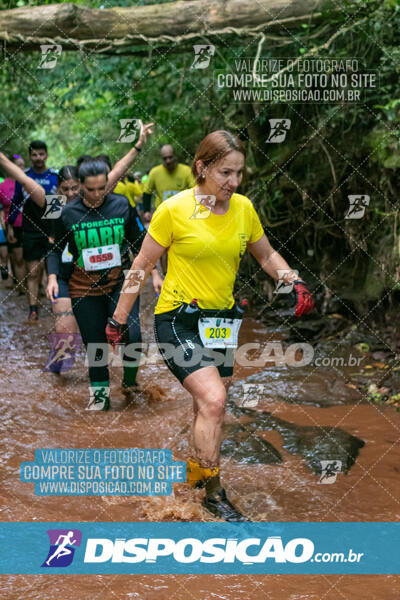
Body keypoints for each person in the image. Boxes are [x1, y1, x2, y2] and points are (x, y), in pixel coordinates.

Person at [106, 130, 314, 520]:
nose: (233, 183)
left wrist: (292, 280)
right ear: (201, 168)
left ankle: (193, 476)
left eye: (238, 173)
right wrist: (118, 320)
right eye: (225, 173)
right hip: (177, 319)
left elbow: (267, 256)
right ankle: (213, 493)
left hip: (221, 323)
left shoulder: (244, 210)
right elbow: (140, 267)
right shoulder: (175, 210)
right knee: (216, 400)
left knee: (207, 406)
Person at [47, 122, 163, 410]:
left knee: (132, 333)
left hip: (120, 282)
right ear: (81, 186)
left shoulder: (122, 205)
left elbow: (142, 244)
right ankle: (100, 397)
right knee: (95, 343)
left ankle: (130, 381)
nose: (97, 194)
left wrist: (157, 273)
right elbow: (54, 247)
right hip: (83, 288)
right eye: (90, 190)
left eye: (102, 188)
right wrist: (52, 277)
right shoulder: (68, 213)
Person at [7, 141, 58, 321]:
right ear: (30, 156)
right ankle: (33, 309)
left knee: (49, 267)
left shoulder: (55, 176)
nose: (38, 158)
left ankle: (54, 302)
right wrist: (11, 225)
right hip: (30, 231)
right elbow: (16, 201)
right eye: (34, 155)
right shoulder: (24, 177)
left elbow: (60, 205)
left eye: (41, 154)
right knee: (33, 271)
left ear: (46, 155)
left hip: (51, 230)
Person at [142, 144, 195, 222]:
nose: (168, 161)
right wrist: (146, 211)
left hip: (182, 213)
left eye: (170, 157)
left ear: (175, 156)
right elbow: (147, 192)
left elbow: (195, 190)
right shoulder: (155, 172)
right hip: (162, 214)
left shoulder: (186, 171)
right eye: (165, 158)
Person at [0, 154, 26, 286]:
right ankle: (22, 288)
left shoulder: (27, 182)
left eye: (23, 165)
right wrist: (6, 226)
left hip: (31, 227)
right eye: (18, 165)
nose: (22, 168)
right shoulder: (2, 186)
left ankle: (37, 286)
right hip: (12, 226)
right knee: (18, 259)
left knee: (35, 259)